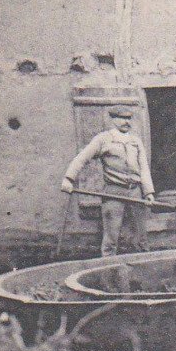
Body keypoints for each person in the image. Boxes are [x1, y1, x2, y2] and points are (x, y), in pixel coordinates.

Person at [61, 107, 155, 256]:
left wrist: (148, 192)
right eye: (122, 118)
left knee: (141, 238)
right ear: (113, 119)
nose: (126, 122)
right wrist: (68, 179)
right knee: (111, 238)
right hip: (114, 192)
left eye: (129, 118)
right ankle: (109, 271)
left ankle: (142, 269)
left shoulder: (135, 141)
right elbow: (82, 158)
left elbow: (144, 168)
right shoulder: (103, 139)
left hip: (136, 192)